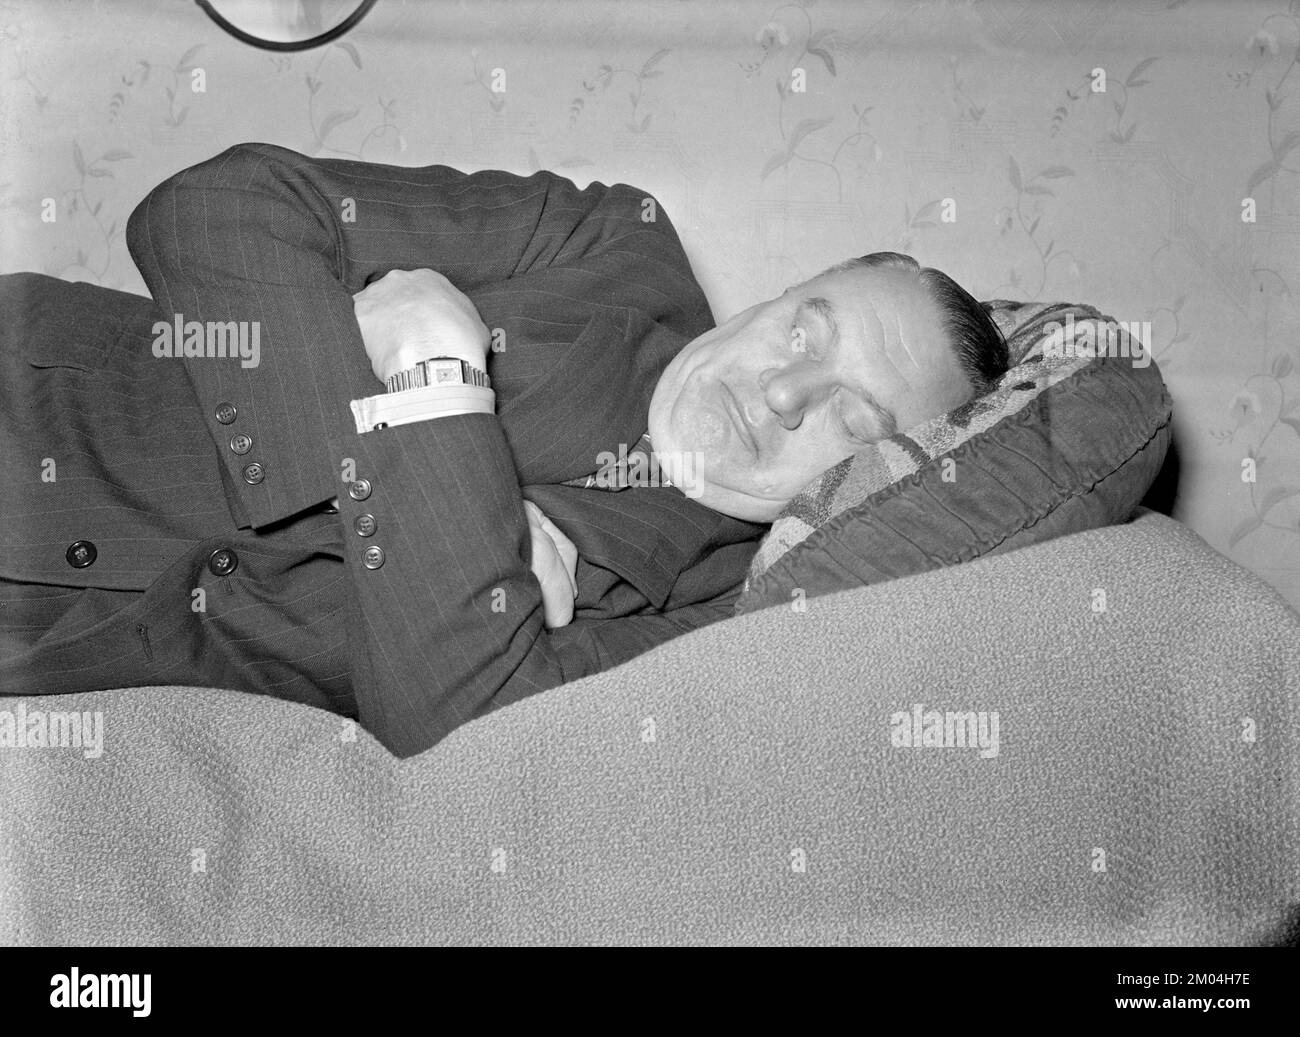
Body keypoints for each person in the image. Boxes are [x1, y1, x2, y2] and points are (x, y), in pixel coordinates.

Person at [0, 142, 1006, 758]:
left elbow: (466, 737)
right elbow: (219, 209)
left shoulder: (712, 625)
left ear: (875, 477)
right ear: (789, 288)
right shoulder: (613, 242)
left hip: (54, 668)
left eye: (853, 418)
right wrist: (444, 532)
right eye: (808, 328)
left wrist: (432, 383)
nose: (783, 390)